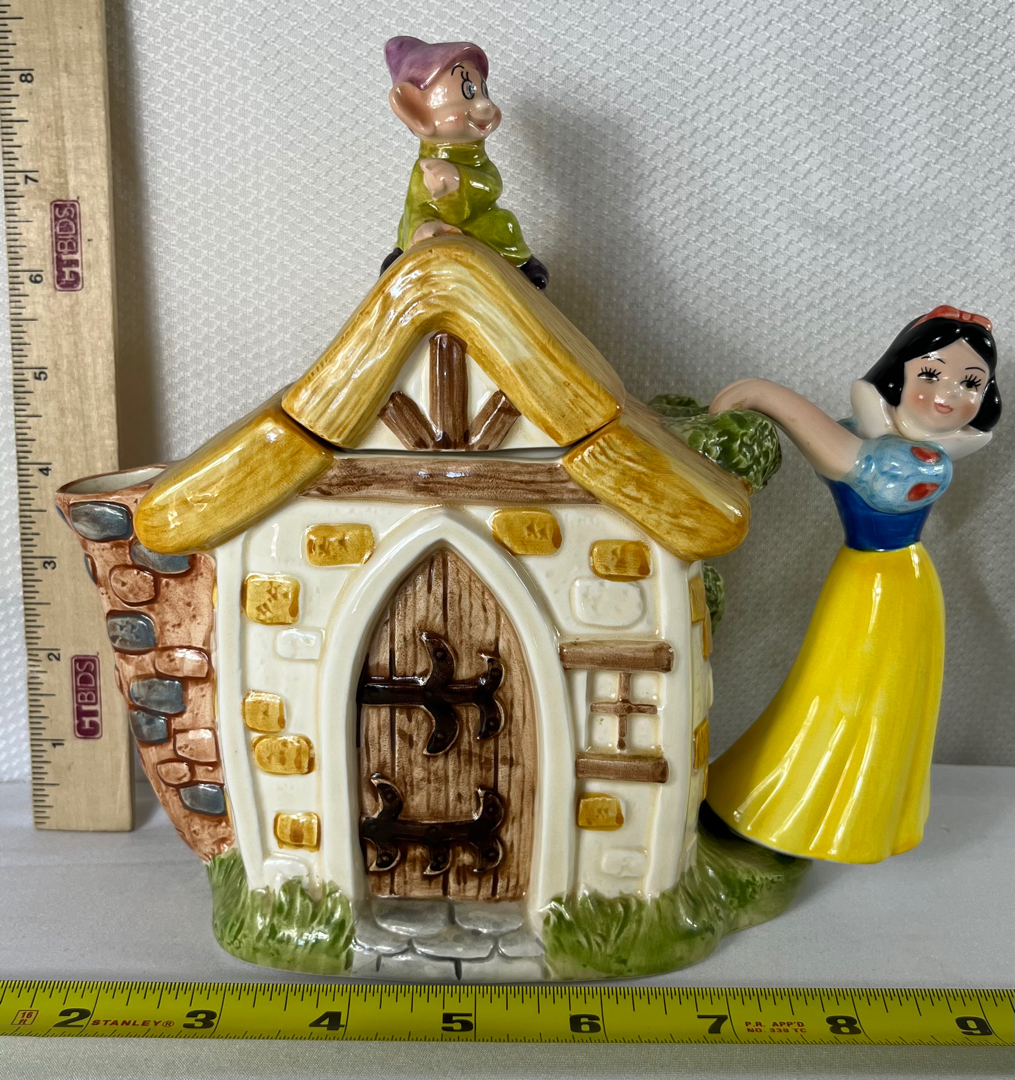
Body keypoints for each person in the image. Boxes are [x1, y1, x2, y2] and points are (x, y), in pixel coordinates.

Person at [705, 306, 1001, 863]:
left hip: (892, 588)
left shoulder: (924, 462)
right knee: (823, 694)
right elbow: (835, 439)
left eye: (971, 383)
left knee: (863, 703)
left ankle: (839, 820)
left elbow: (842, 456)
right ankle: (769, 802)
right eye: (931, 373)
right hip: (863, 579)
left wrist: (763, 394)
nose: (949, 394)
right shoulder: (877, 433)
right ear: (898, 374)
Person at [380, 36, 549, 289]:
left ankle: (526, 266)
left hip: (478, 224)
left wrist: (460, 178)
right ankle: (400, 260)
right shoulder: (424, 168)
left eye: (483, 91)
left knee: (505, 224)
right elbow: (416, 206)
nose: (485, 104)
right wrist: (423, 227)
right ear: (416, 111)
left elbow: (492, 186)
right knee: (409, 226)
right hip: (439, 227)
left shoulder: (479, 162)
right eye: (468, 92)